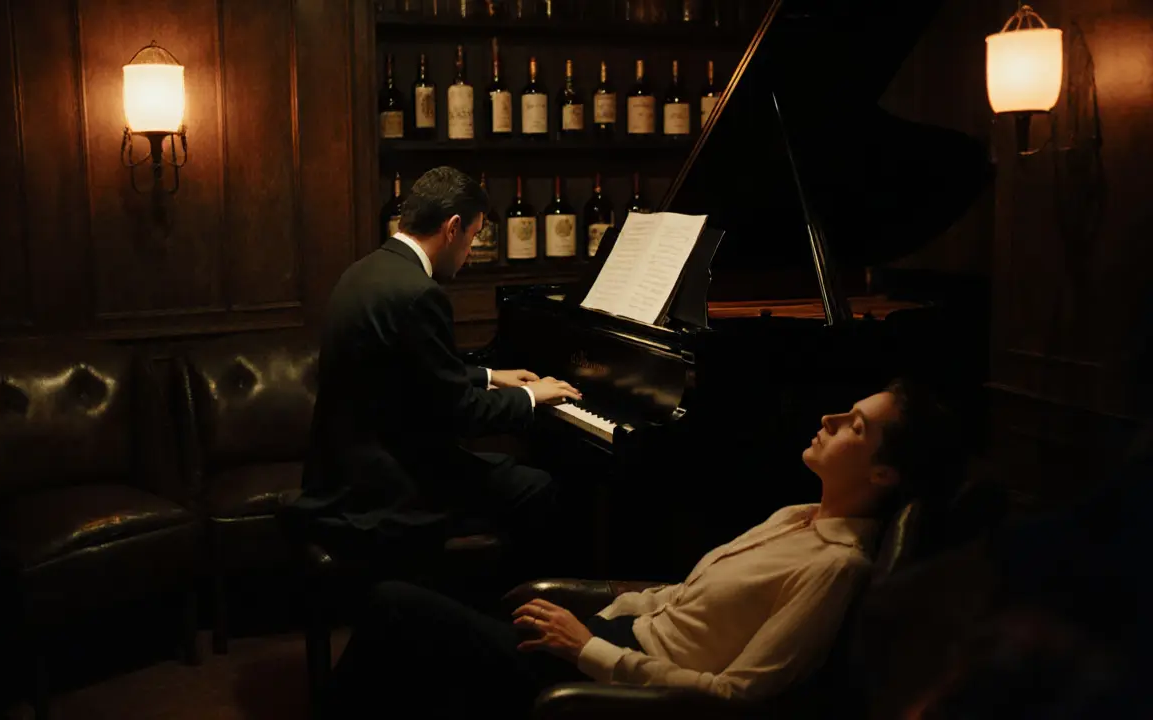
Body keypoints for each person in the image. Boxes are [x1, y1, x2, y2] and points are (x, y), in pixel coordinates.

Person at [319, 378, 963, 719]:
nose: (826, 420)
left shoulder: (835, 567)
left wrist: (587, 646)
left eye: (853, 425)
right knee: (424, 656)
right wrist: (605, 612)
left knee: (395, 608)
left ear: (885, 475)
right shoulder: (797, 513)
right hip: (607, 639)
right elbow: (684, 597)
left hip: (620, 683)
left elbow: (734, 696)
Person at [280, 166, 582, 568]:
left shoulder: (366, 270)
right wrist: (530, 396)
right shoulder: (420, 294)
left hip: (342, 471)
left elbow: (405, 374)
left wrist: (490, 376)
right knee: (535, 486)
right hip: (385, 487)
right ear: (452, 227)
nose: (471, 253)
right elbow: (462, 414)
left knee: (507, 471)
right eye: (473, 237)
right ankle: (499, 613)